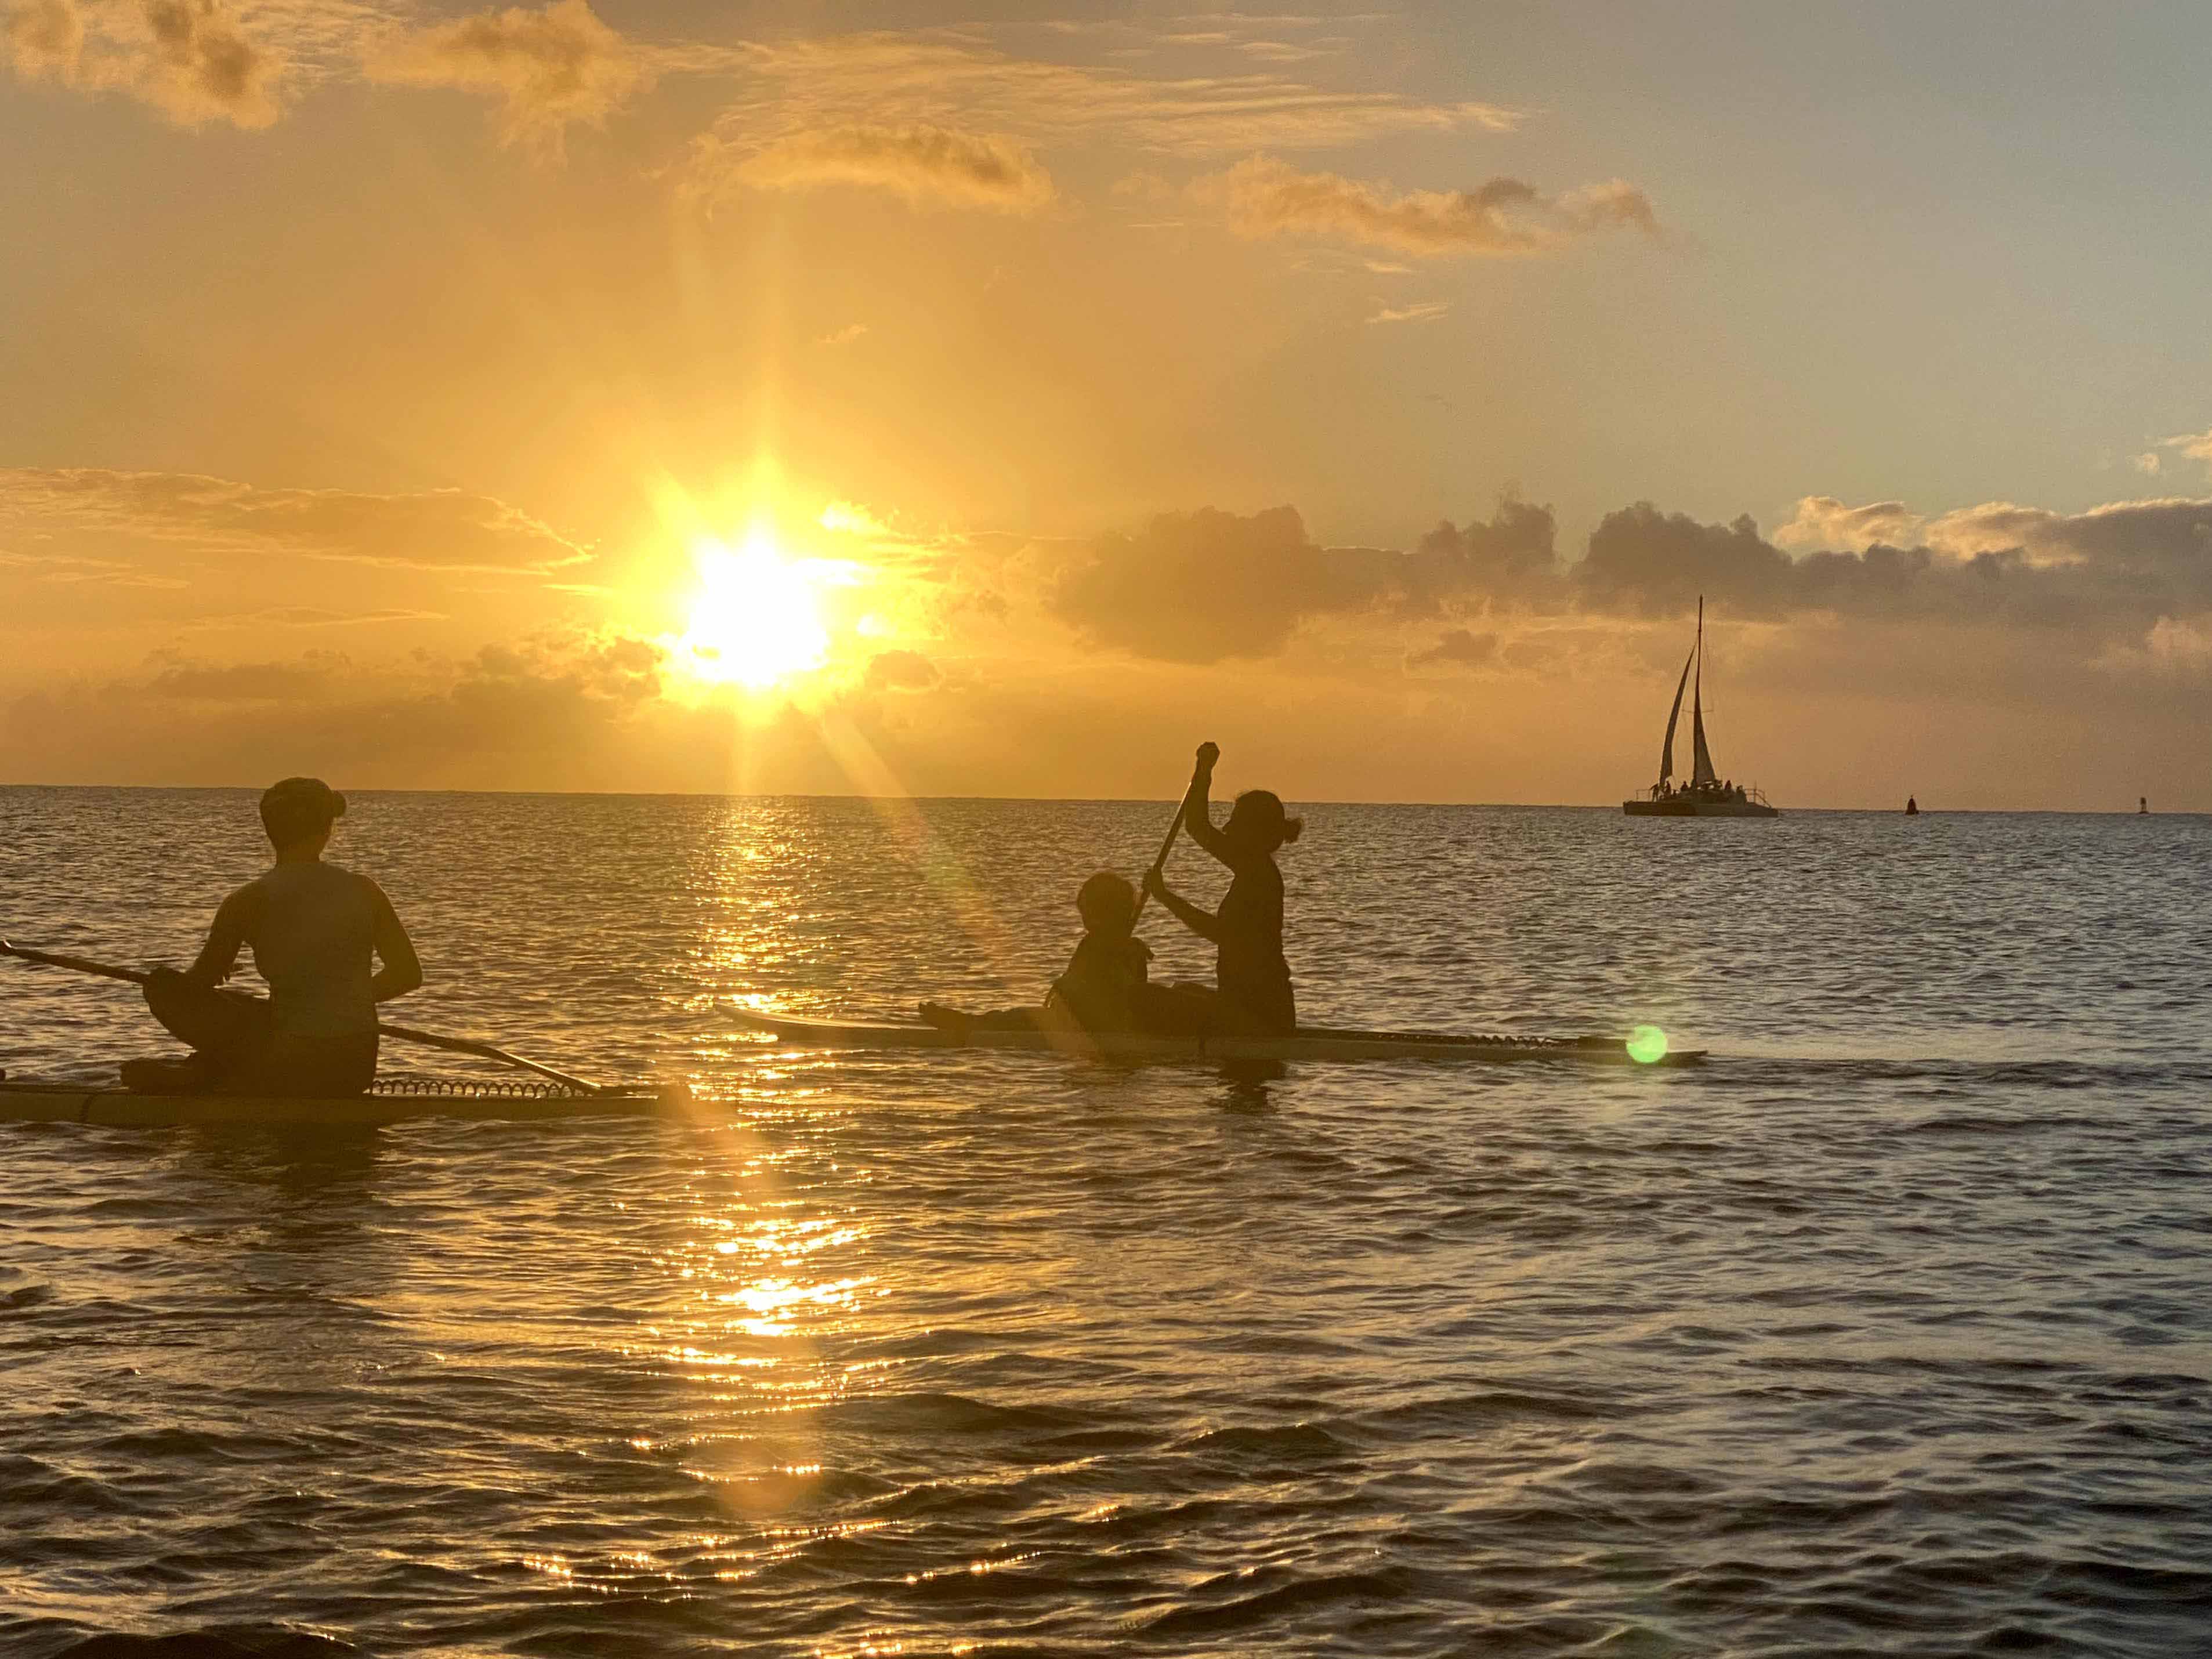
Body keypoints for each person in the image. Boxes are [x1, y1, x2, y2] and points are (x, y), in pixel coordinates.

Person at [122, 778, 422, 1096]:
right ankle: (204, 1071)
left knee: (162, 986)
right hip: (355, 1066)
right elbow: (408, 975)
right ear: (327, 831)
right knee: (248, 1008)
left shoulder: (246, 901)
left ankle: (205, 1075)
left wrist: (171, 983)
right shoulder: (366, 890)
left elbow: (198, 986)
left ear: (270, 832)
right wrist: (341, 1001)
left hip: (288, 1061)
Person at [1142, 742, 1299, 1036]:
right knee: (1181, 989)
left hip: (1257, 1018)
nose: (1227, 828)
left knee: (1145, 998)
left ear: (1255, 832)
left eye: (1236, 822)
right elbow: (1198, 827)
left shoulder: (1259, 877)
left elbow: (1219, 932)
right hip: (1245, 1007)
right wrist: (1203, 773)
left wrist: (1164, 896)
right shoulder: (1252, 866)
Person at [922, 870, 1156, 1037]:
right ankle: (970, 1021)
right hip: (1081, 1021)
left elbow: (1115, 993)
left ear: (1103, 913)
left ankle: (967, 1024)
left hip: (1087, 1026)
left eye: (1088, 913)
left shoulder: (1118, 947)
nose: (1084, 920)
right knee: (1016, 1016)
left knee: (1018, 1018)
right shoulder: (1112, 945)